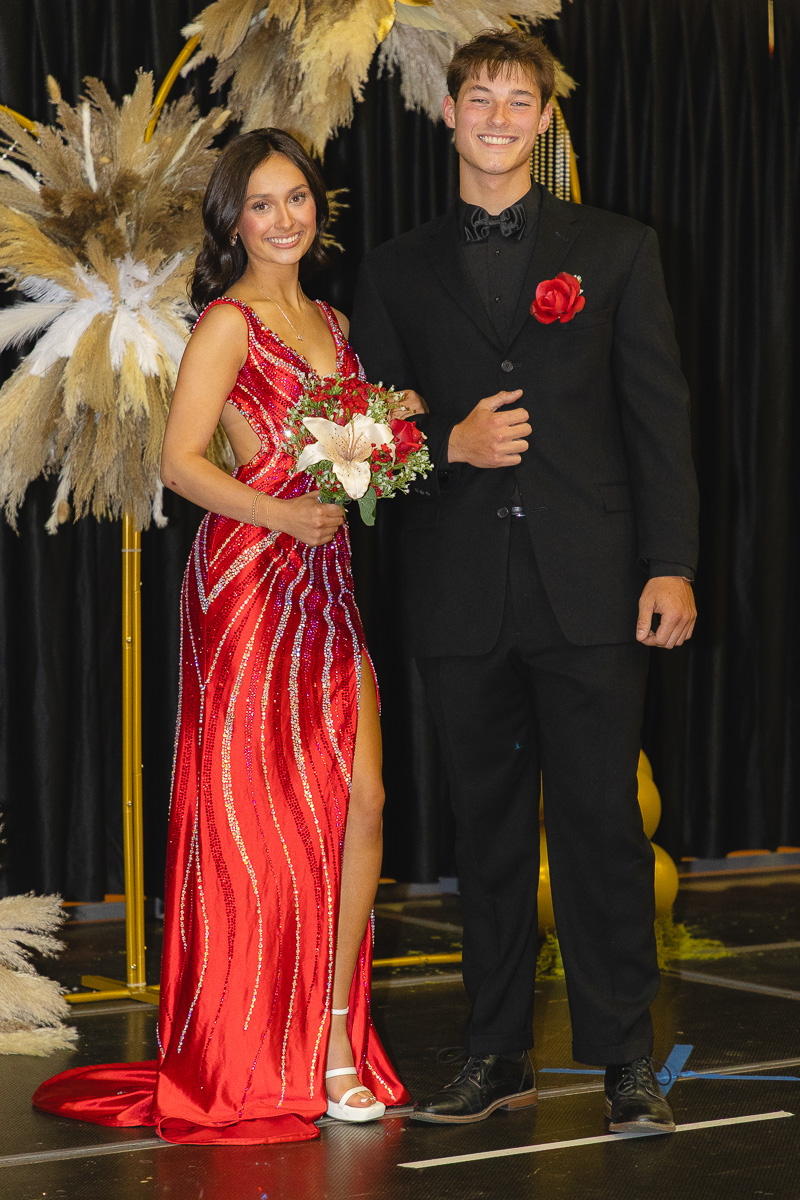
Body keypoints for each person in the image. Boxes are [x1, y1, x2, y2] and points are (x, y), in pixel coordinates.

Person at [350, 29, 699, 1134]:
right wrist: (443, 444)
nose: (497, 116)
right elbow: (369, 438)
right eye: (479, 97)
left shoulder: (616, 248)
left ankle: (622, 1064)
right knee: (484, 838)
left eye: (518, 100)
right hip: (458, 590)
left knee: (600, 827)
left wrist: (672, 564)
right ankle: (495, 1053)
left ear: (541, 122)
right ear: (445, 115)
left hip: (592, 586)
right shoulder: (396, 268)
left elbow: (659, 424)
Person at [33, 129, 411, 1144]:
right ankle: (255, 1049)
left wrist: (384, 439)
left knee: (362, 802)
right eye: (262, 205)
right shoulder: (228, 325)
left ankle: (333, 1034)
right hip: (248, 584)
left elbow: (344, 451)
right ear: (232, 222)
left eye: (296, 199)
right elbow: (180, 463)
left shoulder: (330, 317)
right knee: (259, 828)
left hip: (325, 581)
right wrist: (285, 513)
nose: (284, 219)